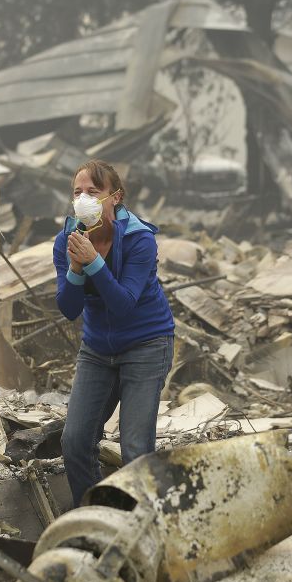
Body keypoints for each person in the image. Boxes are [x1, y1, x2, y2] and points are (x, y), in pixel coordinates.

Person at [54, 159, 175, 506]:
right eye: (77, 192)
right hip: (96, 350)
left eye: (94, 192)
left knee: (135, 448)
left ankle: (143, 527)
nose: (84, 200)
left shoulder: (139, 239)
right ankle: (96, 517)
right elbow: (69, 308)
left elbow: (124, 303)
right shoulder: (67, 239)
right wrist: (77, 269)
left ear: (116, 197)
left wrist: (93, 263)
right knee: (75, 441)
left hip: (146, 344)